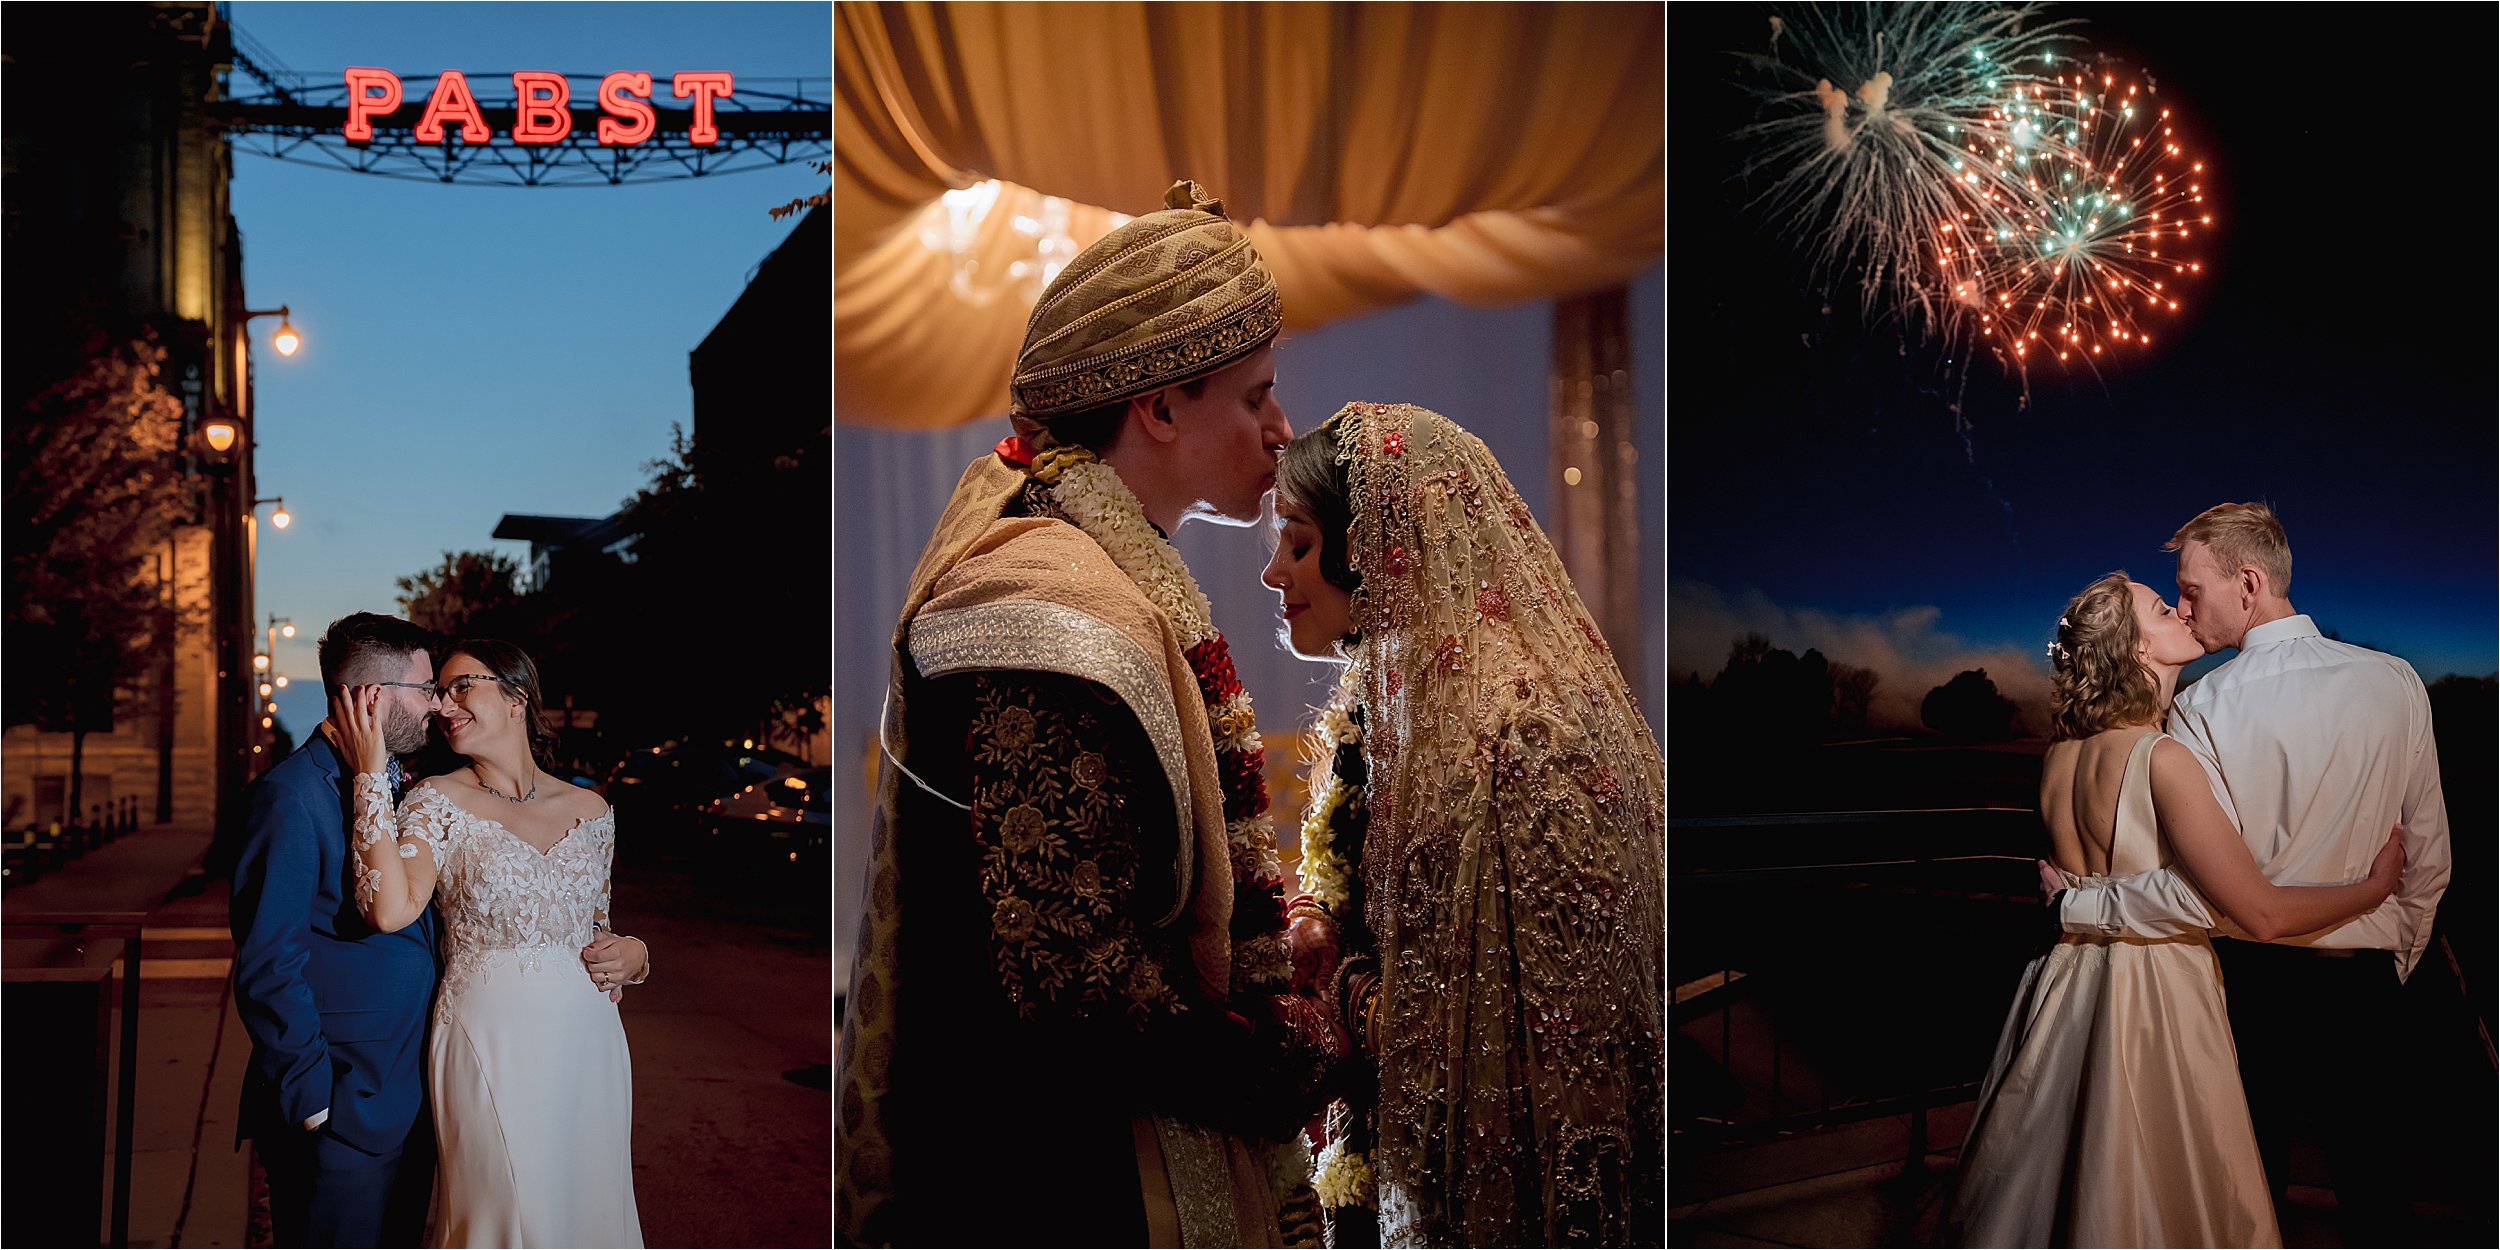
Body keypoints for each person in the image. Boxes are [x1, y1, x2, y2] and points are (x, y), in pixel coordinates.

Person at [835, 179, 1347, 1247]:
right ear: (1157, 406)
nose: (1281, 425)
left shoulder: (1098, 573)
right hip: (1050, 1177)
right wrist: (1295, 1053)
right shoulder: (1042, 602)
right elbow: (1068, 971)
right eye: (1254, 397)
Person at [1258, 403, 1665, 1247]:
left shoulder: (1520, 742)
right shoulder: (1396, 711)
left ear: (1377, 549)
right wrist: (1317, 924)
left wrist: (1334, 993)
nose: (1273, 574)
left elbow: (1548, 1042)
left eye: (1297, 543)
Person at [1942, 571, 2407, 1246]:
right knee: (2160, 1179)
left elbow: (2081, 882)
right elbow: (2262, 914)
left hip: (2059, 986)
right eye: (2163, 610)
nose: (2182, 613)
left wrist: (2074, 905)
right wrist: (2374, 888)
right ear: (2134, 649)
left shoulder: (2056, 757)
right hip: (2152, 998)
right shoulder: (2163, 758)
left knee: (2049, 1170)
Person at [2048, 503, 2451, 1241]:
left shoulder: (2201, 707)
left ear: (2251, 582)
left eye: (2192, 590)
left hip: (2252, 983)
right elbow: (2427, 858)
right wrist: (2395, 956)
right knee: (2376, 1190)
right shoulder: (2396, 681)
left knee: (2243, 1191)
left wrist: (2082, 907)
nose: (2187, 607)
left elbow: (2202, 892)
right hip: (2364, 982)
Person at [335, 638, 650, 1248]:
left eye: (461, 686)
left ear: (516, 697)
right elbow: (388, 907)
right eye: (437, 692)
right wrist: (371, 779)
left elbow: (595, 932)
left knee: (589, 1212)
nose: (444, 705)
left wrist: (634, 956)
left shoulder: (592, 809)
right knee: (500, 1212)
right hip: (486, 1036)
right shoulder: (436, 802)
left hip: (589, 1045)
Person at [231, 612, 447, 1246]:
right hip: (343, 1109)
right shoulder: (291, 796)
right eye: (426, 688)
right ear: (375, 698)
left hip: (408, 1101)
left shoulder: (401, 787)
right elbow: (269, 963)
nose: (436, 705)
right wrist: (315, 1103)